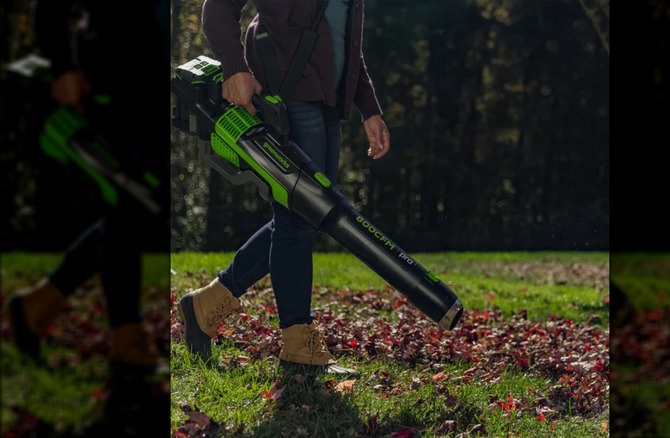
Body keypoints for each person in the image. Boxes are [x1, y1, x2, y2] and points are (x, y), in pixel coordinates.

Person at [178, 0, 390, 375]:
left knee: (304, 216)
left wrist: (368, 106)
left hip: (328, 102)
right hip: (286, 93)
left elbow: (345, 43)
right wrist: (235, 67)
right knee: (300, 218)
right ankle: (297, 342)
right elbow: (218, 7)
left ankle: (207, 303)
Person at [7, 1, 170, 433]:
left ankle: (42, 302)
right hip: (111, 66)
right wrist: (62, 66)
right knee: (128, 199)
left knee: (142, 204)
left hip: (155, 73)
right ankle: (127, 339)